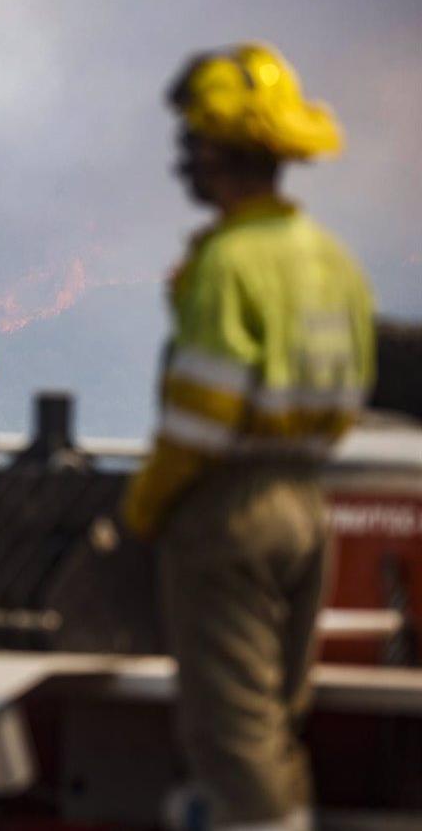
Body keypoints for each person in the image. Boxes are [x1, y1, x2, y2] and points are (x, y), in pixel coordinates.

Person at [121, 42, 375, 831]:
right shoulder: (331, 261)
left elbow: (200, 419)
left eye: (192, 144)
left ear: (218, 150)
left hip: (228, 511)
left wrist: (142, 509)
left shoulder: (228, 263)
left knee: (230, 735)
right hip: (306, 504)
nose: (184, 162)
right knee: (273, 722)